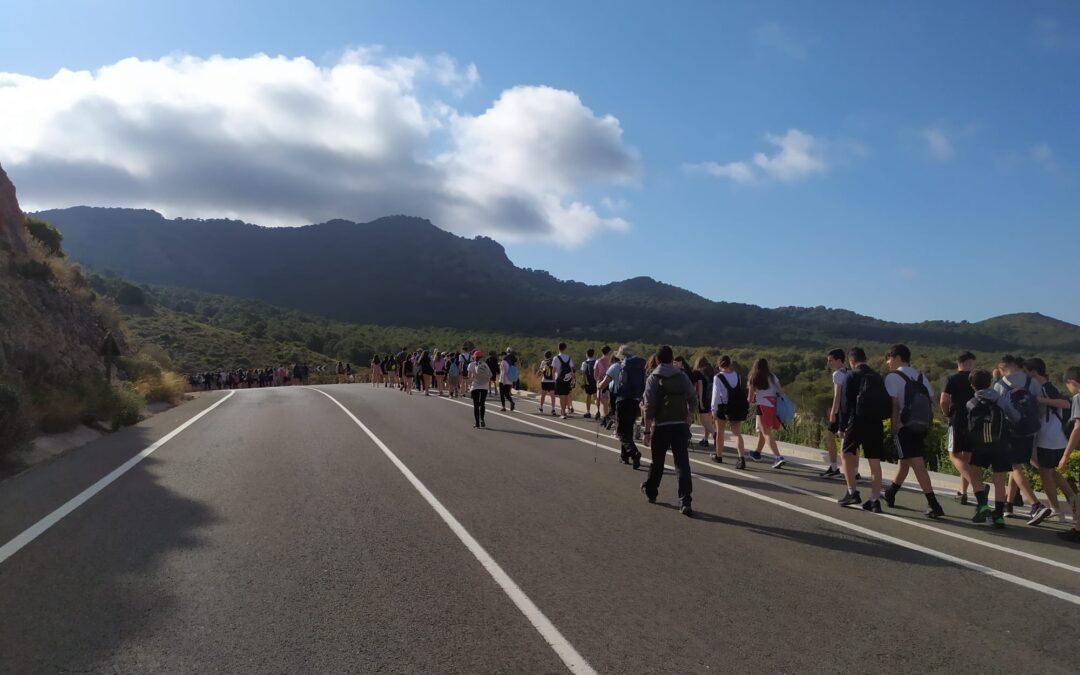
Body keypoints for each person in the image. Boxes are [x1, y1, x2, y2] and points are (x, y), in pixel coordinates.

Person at [880, 344, 945, 519]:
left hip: (904, 426)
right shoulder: (920, 376)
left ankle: (933, 503)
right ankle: (890, 493)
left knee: (916, 463)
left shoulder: (892, 377)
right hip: (922, 425)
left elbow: (894, 404)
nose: (887, 362)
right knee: (905, 461)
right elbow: (932, 400)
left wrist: (894, 425)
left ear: (897, 357)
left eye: (889, 358)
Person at [992, 355, 1051, 525]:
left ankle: (1035, 505)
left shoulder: (1001, 384)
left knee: (1013, 466)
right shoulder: (1031, 382)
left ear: (1002, 368)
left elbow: (998, 408)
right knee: (1017, 465)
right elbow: (1039, 405)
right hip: (1029, 430)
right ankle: (1008, 504)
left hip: (1011, 430)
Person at [641, 345, 699, 517]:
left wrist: (646, 431)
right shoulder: (681, 376)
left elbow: (649, 406)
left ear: (657, 359)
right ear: (671, 358)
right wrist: (689, 414)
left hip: (661, 426)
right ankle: (685, 500)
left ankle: (652, 491)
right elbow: (693, 397)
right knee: (682, 463)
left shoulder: (653, 377)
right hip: (680, 425)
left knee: (657, 461)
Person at [966, 369, 1021, 529]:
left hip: (980, 445)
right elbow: (1015, 416)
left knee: (974, 473)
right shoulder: (1000, 400)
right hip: (1000, 444)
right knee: (999, 480)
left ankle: (982, 504)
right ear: (990, 383)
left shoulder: (971, 403)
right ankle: (998, 516)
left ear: (972, 386)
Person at [837, 347, 890, 511]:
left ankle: (852, 491)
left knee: (846, 454)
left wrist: (842, 426)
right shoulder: (877, 376)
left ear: (851, 361)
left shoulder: (851, 375)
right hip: (875, 422)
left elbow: (845, 404)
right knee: (874, 462)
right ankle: (874, 499)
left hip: (857, 420)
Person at [1026, 357, 1076, 521]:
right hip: (1055, 438)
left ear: (1033, 372)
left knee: (1045, 473)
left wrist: (1040, 400)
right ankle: (1072, 501)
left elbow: (1065, 403)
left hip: (1049, 438)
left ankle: (1055, 509)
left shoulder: (1046, 387)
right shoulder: (1045, 386)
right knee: (1050, 471)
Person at [598, 345, 644, 469]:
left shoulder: (616, 366)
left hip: (622, 401)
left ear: (621, 355)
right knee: (627, 429)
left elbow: (603, 385)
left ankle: (634, 453)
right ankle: (624, 456)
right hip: (635, 401)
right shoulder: (638, 366)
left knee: (621, 432)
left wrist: (598, 384)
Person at [941, 351, 977, 503]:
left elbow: (944, 400)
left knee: (954, 455)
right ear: (970, 362)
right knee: (966, 458)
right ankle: (962, 492)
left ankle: (977, 485)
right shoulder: (975, 380)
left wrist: (947, 413)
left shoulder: (952, 379)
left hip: (956, 420)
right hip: (973, 421)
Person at [746, 358, 786, 469]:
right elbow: (781, 392)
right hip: (773, 407)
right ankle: (757, 453)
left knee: (766, 432)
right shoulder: (773, 377)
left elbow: (749, 398)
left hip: (762, 407)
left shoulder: (753, 378)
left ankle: (778, 457)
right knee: (762, 432)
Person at [711, 355, 749, 467]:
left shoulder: (718, 377)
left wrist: (713, 410)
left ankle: (718, 455)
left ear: (719, 365)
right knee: (737, 433)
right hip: (736, 406)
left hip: (723, 406)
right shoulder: (736, 375)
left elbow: (716, 395)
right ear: (729, 364)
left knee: (720, 432)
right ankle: (741, 458)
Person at [1058, 366, 1080, 543]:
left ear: (1071, 382)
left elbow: (1078, 428)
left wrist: (1066, 455)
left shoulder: (1078, 398)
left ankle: (1078, 529)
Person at [822, 348, 848, 478]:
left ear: (839, 360)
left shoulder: (837, 374)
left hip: (839, 412)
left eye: (831, 361)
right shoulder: (849, 372)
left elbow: (837, 395)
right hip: (848, 412)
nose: (829, 363)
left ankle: (833, 467)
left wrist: (832, 413)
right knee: (848, 442)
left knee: (830, 437)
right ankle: (853, 471)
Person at [692, 357, 715, 448]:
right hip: (712, 398)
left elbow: (697, 386)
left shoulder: (699, 372)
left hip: (704, 398)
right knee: (708, 421)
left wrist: (698, 398)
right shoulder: (712, 371)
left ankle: (715, 436)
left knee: (704, 420)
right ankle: (705, 439)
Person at [468, 350, 493, 428]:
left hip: (475, 386)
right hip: (484, 386)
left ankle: (477, 423)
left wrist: (470, 385)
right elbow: (490, 375)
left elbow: (469, 377)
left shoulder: (471, 365)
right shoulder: (485, 364)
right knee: (482, 404)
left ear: (474, 357)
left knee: (476, 405)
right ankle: (482, 419)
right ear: (481, 357)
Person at [553, 343, 575, 419]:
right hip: (567, 379)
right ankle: (564, 410)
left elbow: (554, 370)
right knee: (566, 395)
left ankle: (563, 412)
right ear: (565, 348)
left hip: (559, 379)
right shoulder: (569, 357)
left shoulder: (556, 358)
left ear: (558, 348)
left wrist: (553, 380)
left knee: (561, 396)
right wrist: (573, 379)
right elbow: (572, 369)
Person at [595, 346, 613, 423]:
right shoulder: (612, 361)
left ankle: (605, 416)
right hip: (612, 383)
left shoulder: (598, 361)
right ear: (609, 352)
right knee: (612, 401)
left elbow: (595, 374)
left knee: (604, 401)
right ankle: (609, 415)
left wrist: (598, 382)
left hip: (602, 383)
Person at [581, 348, 598, 419]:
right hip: (596, 382)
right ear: (593, 354)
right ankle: (598, 411)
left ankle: (588, 412)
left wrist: (584, 383)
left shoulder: (585, 363)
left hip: (588, 383)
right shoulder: (596, 362)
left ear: (587, 354)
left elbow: (583, 374)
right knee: (596, 398)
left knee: (588, 397)